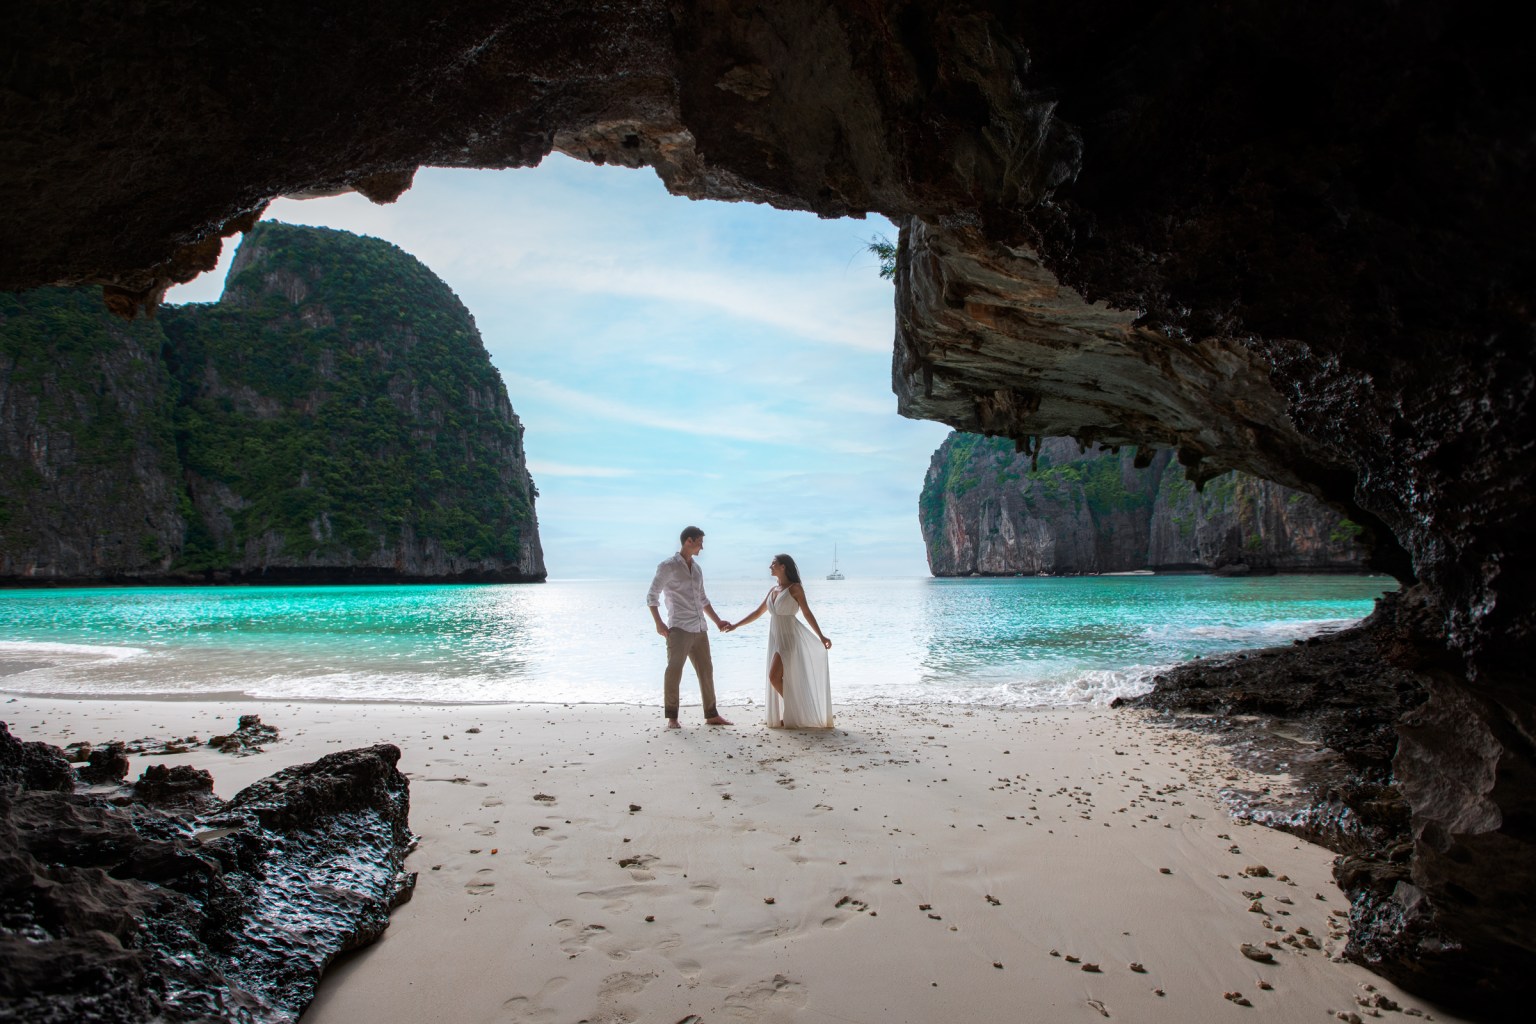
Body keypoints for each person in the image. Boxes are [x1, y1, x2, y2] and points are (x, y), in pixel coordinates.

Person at [724, 554, 833, 729]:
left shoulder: (795, 588)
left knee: (774, 677)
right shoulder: (773, 590)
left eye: (773, 563)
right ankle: (795, 712)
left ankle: (798, 710)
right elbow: (757, 612)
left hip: (789, 637)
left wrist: (821, 636)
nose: (770, 566)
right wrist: (736, 625)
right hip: (774, 637)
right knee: (780, 678)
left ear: (783, 567)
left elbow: (807, 612)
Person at [647, 526, 733, 728]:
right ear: (689, 541)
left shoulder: (697, 569)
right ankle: (672, 718)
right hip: (679, 628)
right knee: (674, 671)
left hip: (700, 628)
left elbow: (702, 599)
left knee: (706, 671)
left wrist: (717, 620)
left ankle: (711, 715)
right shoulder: (668, 566)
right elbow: (652, 595)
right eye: (700, 542)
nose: (702, 547)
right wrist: (658, 622)